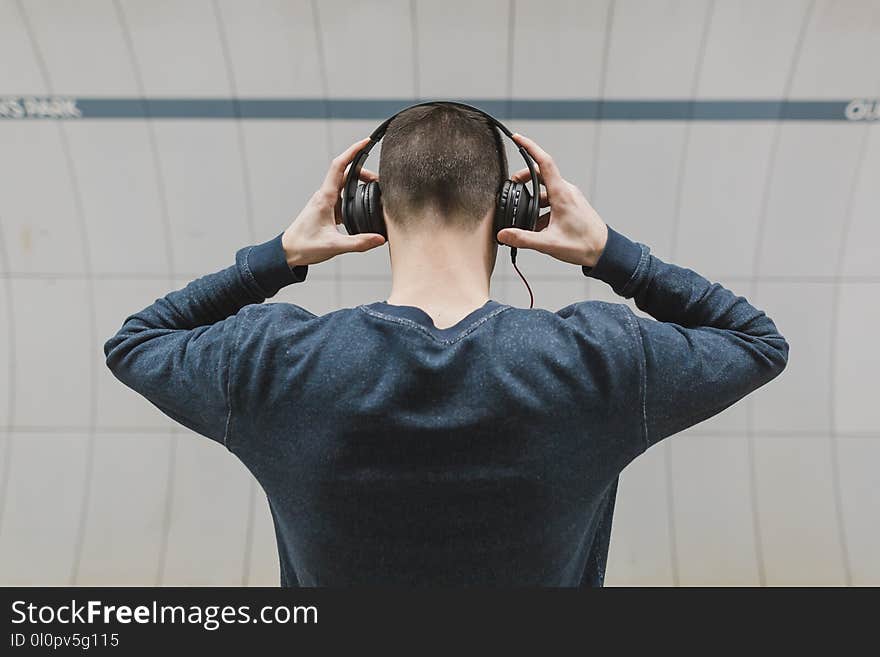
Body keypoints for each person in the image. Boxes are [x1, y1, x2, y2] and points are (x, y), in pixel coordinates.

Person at [104, 103, 789, 586]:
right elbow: (755, 341)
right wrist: (612, 253)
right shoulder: (597, 358)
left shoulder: (273, 361)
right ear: (513, 212)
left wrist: (279, 255)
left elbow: (136, 341)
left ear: (367, 209)